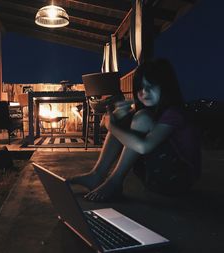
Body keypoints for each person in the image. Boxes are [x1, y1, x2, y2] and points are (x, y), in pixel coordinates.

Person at [70, 58, 201, 201]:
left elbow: (144, 147)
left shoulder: (174, 113)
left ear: (167, 86)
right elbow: (103, 124)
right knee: (126, 119)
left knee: (141, 118)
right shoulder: (152, 112)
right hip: (154, 177)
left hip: (177, 180)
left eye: (151, 86)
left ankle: (114, 182)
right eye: (140, 87)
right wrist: (116, 117)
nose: (144, 92)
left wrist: (112, 127)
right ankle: (97, 174)